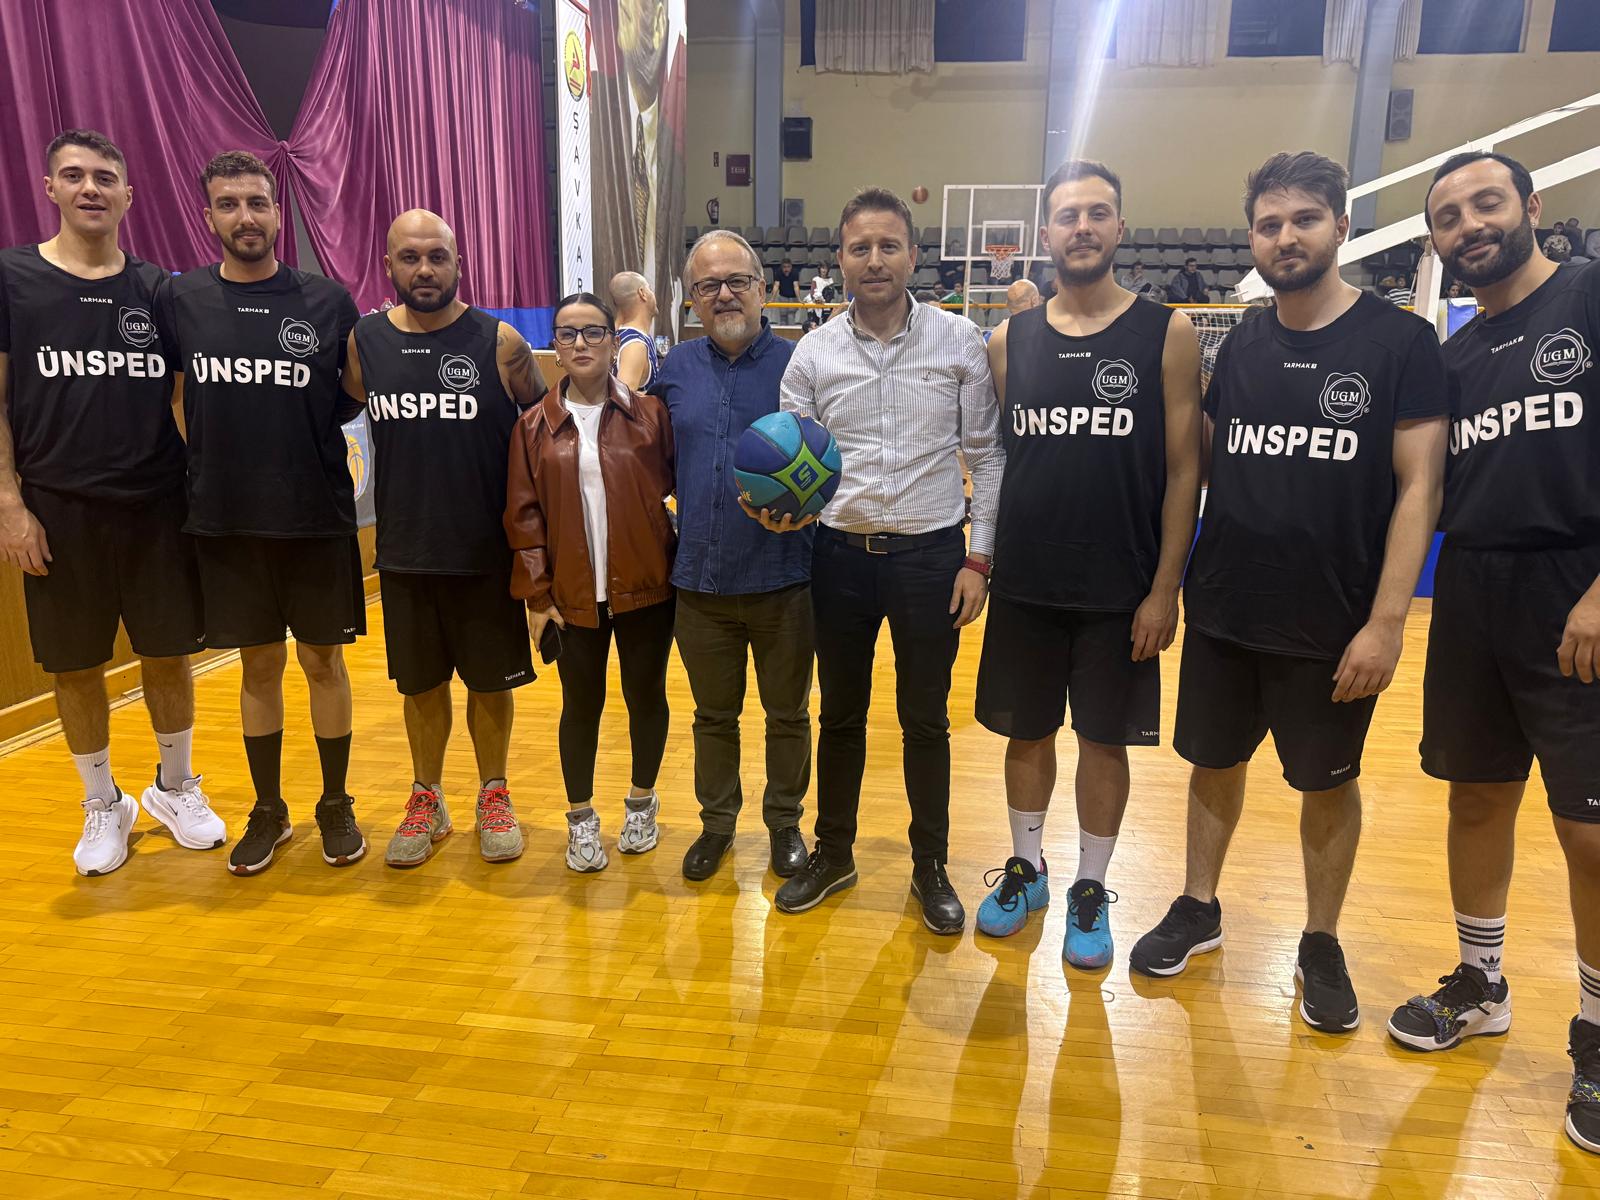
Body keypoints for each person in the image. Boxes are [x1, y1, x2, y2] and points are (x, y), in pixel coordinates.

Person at [1129, 152, 1449, 1036]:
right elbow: (1200, 466)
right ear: (1252, 239)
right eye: (1269, 225)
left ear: (1341, 226)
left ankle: (1320, 938)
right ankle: (1199, 905)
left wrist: (1387, 623)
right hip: (1227, 608)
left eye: (1304, 219)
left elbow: (1419, 490)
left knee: (1326, 784)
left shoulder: (1400, 344)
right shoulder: (1244, 341)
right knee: (1212, 763)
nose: (1285, 238)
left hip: (1334, 622)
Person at [1390, 150, 1600, 1156]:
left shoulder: (1589, 299)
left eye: (1485, 203)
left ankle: (1597, 1032)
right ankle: (1481, 981)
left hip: (1578, 588)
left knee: (1590, 834)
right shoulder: (1455, 356)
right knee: (1475, 798)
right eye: (1448, 216)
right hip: (1473, 589)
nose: (1469, 225)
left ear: (1531, 205)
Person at [973, 160, 1202, 968]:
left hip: (1121, 589)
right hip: (1027, 584)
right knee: (1025, 734)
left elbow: (1186, 470)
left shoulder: (1167, 333)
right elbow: (999, 459)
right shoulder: (1009, 341)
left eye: (1097, 213)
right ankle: (1026, 869)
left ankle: (1091, 887)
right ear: (1046, 233)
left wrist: (1165, 588)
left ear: (1119, 228)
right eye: (1068, 215)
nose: (1082, 227)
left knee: (1105, 744)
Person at [770, 186, 1004, 933]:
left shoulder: (959, 342)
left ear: (912, 255)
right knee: (839, 715)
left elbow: (986, 455)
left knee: (925, 720)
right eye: (860, 247)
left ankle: (930, 865)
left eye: (888, 246)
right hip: (838, 556)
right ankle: (834, 853)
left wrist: (979, 560)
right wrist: (773, 506)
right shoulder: (813, 354)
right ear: (840, 259)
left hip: (931, 558)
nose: (874, 260)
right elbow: (790, 464)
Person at [0, 129, 222, 876]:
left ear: (129, 194)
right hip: (57, 510)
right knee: (75, 666)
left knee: (169, 653)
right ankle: (103, 803)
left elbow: (187, 392)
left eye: (104, 177)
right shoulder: (13, 278)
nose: (90, 188)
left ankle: (174, 786)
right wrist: (8, 503)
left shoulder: (158, 290)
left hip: (156, 504)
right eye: (74, 175)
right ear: (50, 188)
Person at [156, 150, 366, 875]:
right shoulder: (181, 299)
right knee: (258, 665)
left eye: (257, 202)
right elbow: (175, 395)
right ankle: (269, 809)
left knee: (324, 661)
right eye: (228, 204)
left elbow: (349, 397)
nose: (245, 217)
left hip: (315, 515)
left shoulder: (327, 300)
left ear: (278, 211)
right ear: (208, 215)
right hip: (227, 519)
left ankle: (334, 803)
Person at [342, 210, 545, 869]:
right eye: (410, 257)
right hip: (406, 553)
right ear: (389, 267)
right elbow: (337, 413)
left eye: (437, 256)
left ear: (459, 263)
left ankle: (494, 793)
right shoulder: (365, 343)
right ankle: (426, 797)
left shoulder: (501, 343)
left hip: (485, 554)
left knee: (489, 684)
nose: (424, 269)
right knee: (421, 686)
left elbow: (545, 437)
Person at [653, 230, 812, 882]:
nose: (724, 294)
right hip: (700, 583)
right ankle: (717, 825)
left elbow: (835, 461)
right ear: (693, 299)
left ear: (762, 288)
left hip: (785, 580)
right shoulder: (673, 370)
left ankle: (784, 825)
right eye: (708, 285)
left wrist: (811, 508)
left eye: (737, 281)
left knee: (788, 715)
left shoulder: (801, 365)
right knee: (713, 717)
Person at [504, 292, 676, 873]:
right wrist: (536, 595)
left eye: (593, 332)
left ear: (613, 341)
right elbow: (523, 517)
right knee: (581, 705)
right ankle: (580, 819)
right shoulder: (532, 426)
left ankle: (642, 804)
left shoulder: (651, 416)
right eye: (568, 333)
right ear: (555, 345)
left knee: (646, 697)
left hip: (647, 587)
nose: (580, 343)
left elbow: (677, 488)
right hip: (571, 597)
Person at [591, 0, 686, 337]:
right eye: (623, 17)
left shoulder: (673, 139)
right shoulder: (600, 120)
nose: (625, 32)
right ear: (644, 295)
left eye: (633, 16)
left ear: (660, 22)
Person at [609, 270, 661, 391]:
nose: (653, 294)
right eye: (650, 289)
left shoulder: (622, 335)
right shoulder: (635, 345)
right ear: (642, 293)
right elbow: (623, 399)